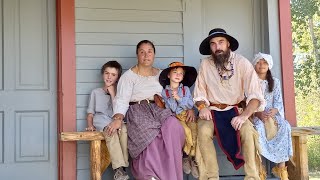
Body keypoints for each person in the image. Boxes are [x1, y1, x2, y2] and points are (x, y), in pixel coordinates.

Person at [193, 28, 266, 180]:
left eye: (221, 42)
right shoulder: (205, 65)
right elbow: (199, 95)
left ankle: (252, 177)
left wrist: (244, 116)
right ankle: (211, 177)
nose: (217, 47)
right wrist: (202, 107)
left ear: (228, 44)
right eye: (213, 44)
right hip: (212, 111)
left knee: (247, 131)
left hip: (236, 110)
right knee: (203, 131)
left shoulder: (242, 63)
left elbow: (255, 97)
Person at [109, 40, 186, 180]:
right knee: (150, 135)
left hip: (160, 108)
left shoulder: (163, 74)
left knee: (173, 126)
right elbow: (121, 100)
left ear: (154, 54)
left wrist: (188, 108)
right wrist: (118, 119)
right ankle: (150, 175)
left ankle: (172, 175)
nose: (146, 55)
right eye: (142, 52)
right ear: (137, 55)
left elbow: (177, 91)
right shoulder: (128, 77)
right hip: (138, 110)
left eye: (149, 51)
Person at [85, 61, 129, 180]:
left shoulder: (119, 93)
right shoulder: (95, 92)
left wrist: (113, 93)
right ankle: (119, 169)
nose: (109, 77)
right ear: (102, 74)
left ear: (118, 77)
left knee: (124, 130)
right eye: (107, 73)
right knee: (111, 131)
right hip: (100, 120)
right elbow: (90, 113)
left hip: (114, 119)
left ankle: (122, 169)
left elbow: (118, 111)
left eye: (113, 75)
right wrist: (90, 126)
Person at [252, 52, 293, 180]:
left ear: (269, 65)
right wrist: (258, 113)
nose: (261, 65)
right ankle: (260, 171)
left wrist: (274, 111)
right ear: (254, 64)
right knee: (258, 128)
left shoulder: (275, 82)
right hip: (256, 114)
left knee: (284, 126)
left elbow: (278, 101)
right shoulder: (250, 81)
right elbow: (245, 100)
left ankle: (282, 169)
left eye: (264, 62)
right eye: (258, 62)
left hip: (271, 113)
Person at [159, 61, 199, 178]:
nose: (177, 75)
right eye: (175, 72)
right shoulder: (165, 91)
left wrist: (179, 99)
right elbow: (171, 108)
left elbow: (190, 103)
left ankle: (194, 158)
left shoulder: (185, 89)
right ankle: (186, 156)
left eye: (181, 73)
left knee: (194, 130)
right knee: (185, 131)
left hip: (187, 114)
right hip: (176, 117)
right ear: (168, 75)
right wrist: (177, 100)